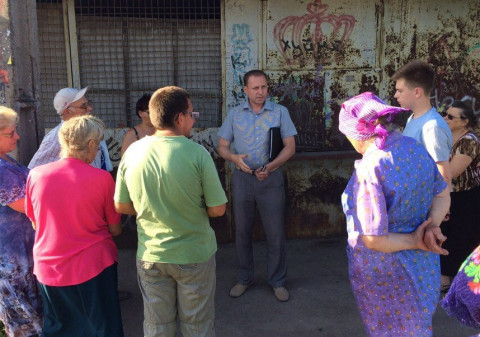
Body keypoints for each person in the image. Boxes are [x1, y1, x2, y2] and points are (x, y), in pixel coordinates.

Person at [115, 86, 227, 337]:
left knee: (157, 326)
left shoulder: (132, 152)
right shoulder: (197, 154)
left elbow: (121, 206)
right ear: (179, 118)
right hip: (194, 255)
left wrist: (151, 208)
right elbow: (218, 209)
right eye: (191, 113)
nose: (194, 118)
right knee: (197, 326)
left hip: (151, 256)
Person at [339, 92, 450, 336]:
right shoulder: (414, 148)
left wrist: (414, 239)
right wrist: (431, 228)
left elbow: (373, 239)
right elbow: (442, 194)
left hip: (387, 272)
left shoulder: (371, 168)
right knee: (418, 326)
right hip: (424, 265)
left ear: (356, 134)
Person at [25, 115, 123, 337]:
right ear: (89, 145)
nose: (97, 149)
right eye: (97, 144)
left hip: (49, 268)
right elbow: (115, 228)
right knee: (103, 326)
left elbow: (35, 222)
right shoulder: (102, 178)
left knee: (60, 327)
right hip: (95, 265)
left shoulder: (35, 176)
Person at [217, 69, 297, 302]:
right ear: (245, 90)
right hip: (242, 179)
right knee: (242, 231)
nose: (260, 92)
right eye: (255, 88)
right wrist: (233, 158)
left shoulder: (280, 113)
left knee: (275, 233)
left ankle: (278, 281)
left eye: (263, 87)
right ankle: (244, 278)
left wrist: (270, 167)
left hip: (271, 180)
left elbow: (290, 147)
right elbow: (222, 146)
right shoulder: (235, 115)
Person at [0, 107, 42, 337]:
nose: (17, 137)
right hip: (12, 261)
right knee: (24, 325)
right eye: (10, 133)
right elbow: (30, 207)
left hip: (22, 255)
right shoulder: (1, 170)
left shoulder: (6, 161)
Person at [439, 101, 480, 291]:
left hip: (466, 197)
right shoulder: (446, 137)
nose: (445, 118)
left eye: (450, 117)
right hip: (449, 194)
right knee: (445, 234)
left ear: (464, 122)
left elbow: (452, 172)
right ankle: (446, 277)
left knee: (461, 237)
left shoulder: (469, 141)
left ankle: (454, 280)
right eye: (445, 114)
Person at [392, 60, 453, 185]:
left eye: (400, 91)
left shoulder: (432, 128)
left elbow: (443, 178)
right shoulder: (413, 118)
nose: (395, 95)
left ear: (417, 92)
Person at [28, 86, 113, 171]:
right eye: (84, 106)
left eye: (88, 104)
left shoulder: (92, 129)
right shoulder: (54, 138)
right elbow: (32, 171)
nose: (90, 108)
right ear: (67, 111)